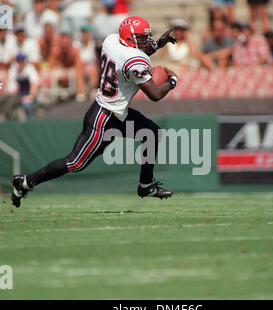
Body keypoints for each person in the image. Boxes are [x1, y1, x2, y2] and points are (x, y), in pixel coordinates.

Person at [11, 16, 178, 208]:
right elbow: (155, 94)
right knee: (75, 163)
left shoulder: (112, 41)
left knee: (152, 133)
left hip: (117, 113)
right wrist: (173, 81)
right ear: (130, 39)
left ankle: (146, 185)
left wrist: (158, 44)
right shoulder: (134, 59)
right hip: (103, 117)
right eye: (142, 37)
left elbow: (134, 55)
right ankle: (25, 181)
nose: (146, 41)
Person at [49, 31, 85, 101]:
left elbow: (79, 65)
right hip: (61, 71)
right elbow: (51, 65)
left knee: (78, 73)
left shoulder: (75, 51)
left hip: (72, 70)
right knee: (50, 74)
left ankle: (80, 94)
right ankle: (51, 96)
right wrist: (61, 69)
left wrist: (69, 72)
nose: (64, 45)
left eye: (66, 42)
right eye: (62, 43)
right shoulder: (56, 51)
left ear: (69, 42)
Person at [7, 53, 40, 117]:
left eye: (22, 60)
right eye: (18, 61)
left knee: (26, 106)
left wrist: (31, 96)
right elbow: (12, 88)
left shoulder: (30, 68)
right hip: (18, 97)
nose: (20, 63)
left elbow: (34, 83)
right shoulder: (14, 69)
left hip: (29, 96)